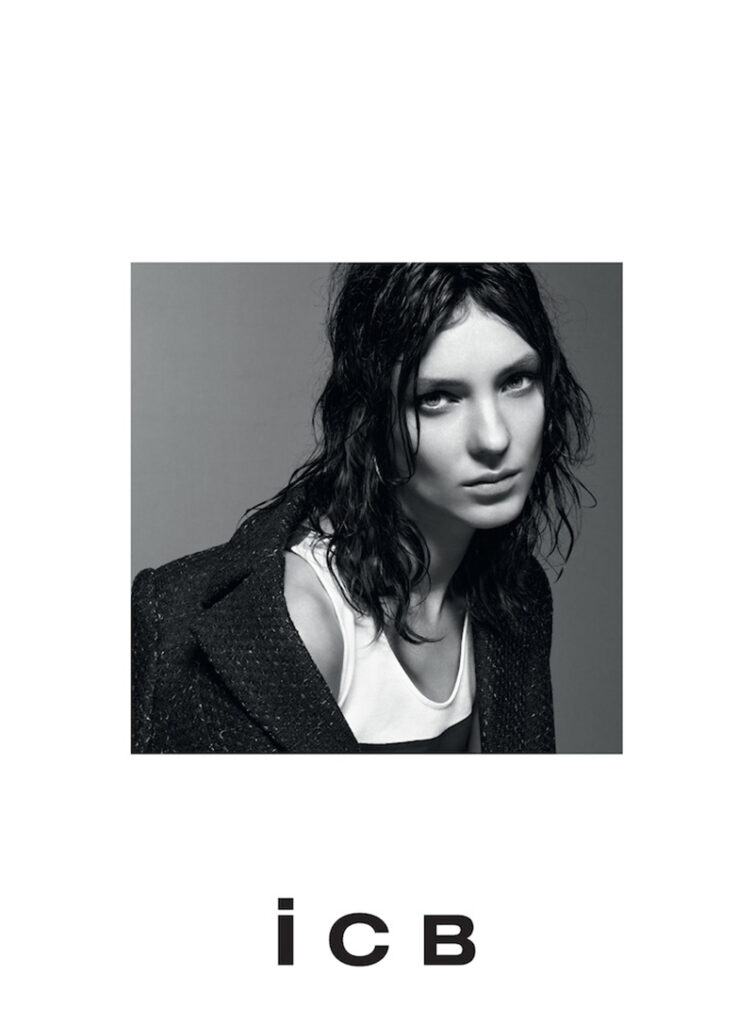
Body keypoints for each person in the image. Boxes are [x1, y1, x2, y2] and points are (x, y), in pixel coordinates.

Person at [132, 263, 592, 753]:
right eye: (437, 398)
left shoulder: (517, 598)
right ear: (372, 416)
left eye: (516, 381)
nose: (495, 437)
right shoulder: (297, 624)